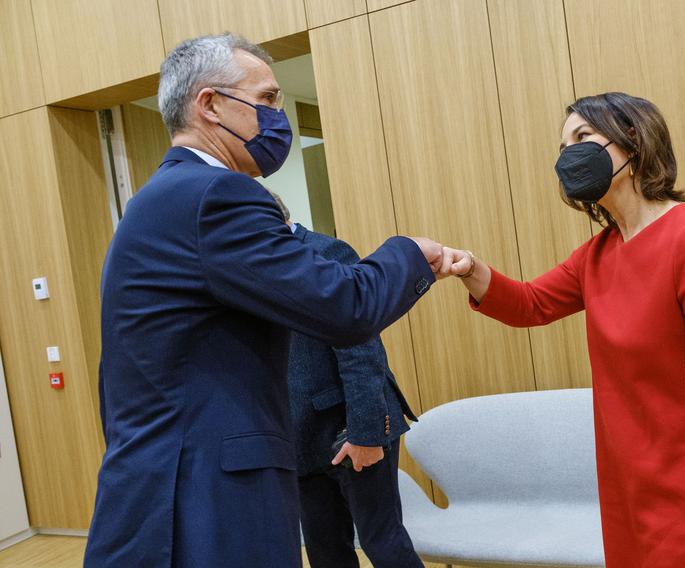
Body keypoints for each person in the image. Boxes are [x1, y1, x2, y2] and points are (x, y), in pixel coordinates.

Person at [84, 33, 452, 567]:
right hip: (205, 499)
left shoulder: (161, 199)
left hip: (168, 485)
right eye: (268, 100)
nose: (280, 117)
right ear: (210, 104)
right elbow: (344, 308)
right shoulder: (216, 196)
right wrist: (410, 253)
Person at [441, 93, 685, 568]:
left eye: (582, 137)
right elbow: (530, 303)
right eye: (562, 146)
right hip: (626, 487)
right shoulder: (599, 254)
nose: (569, 154)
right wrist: (470, 267)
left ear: (633, 139)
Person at [267, 192, 424, 568]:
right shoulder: (257, 271)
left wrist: (365, 434)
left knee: (382, 542)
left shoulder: (328, 254)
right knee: (325, 553)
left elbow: (361, 353)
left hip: (352, 427)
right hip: (299, 439)